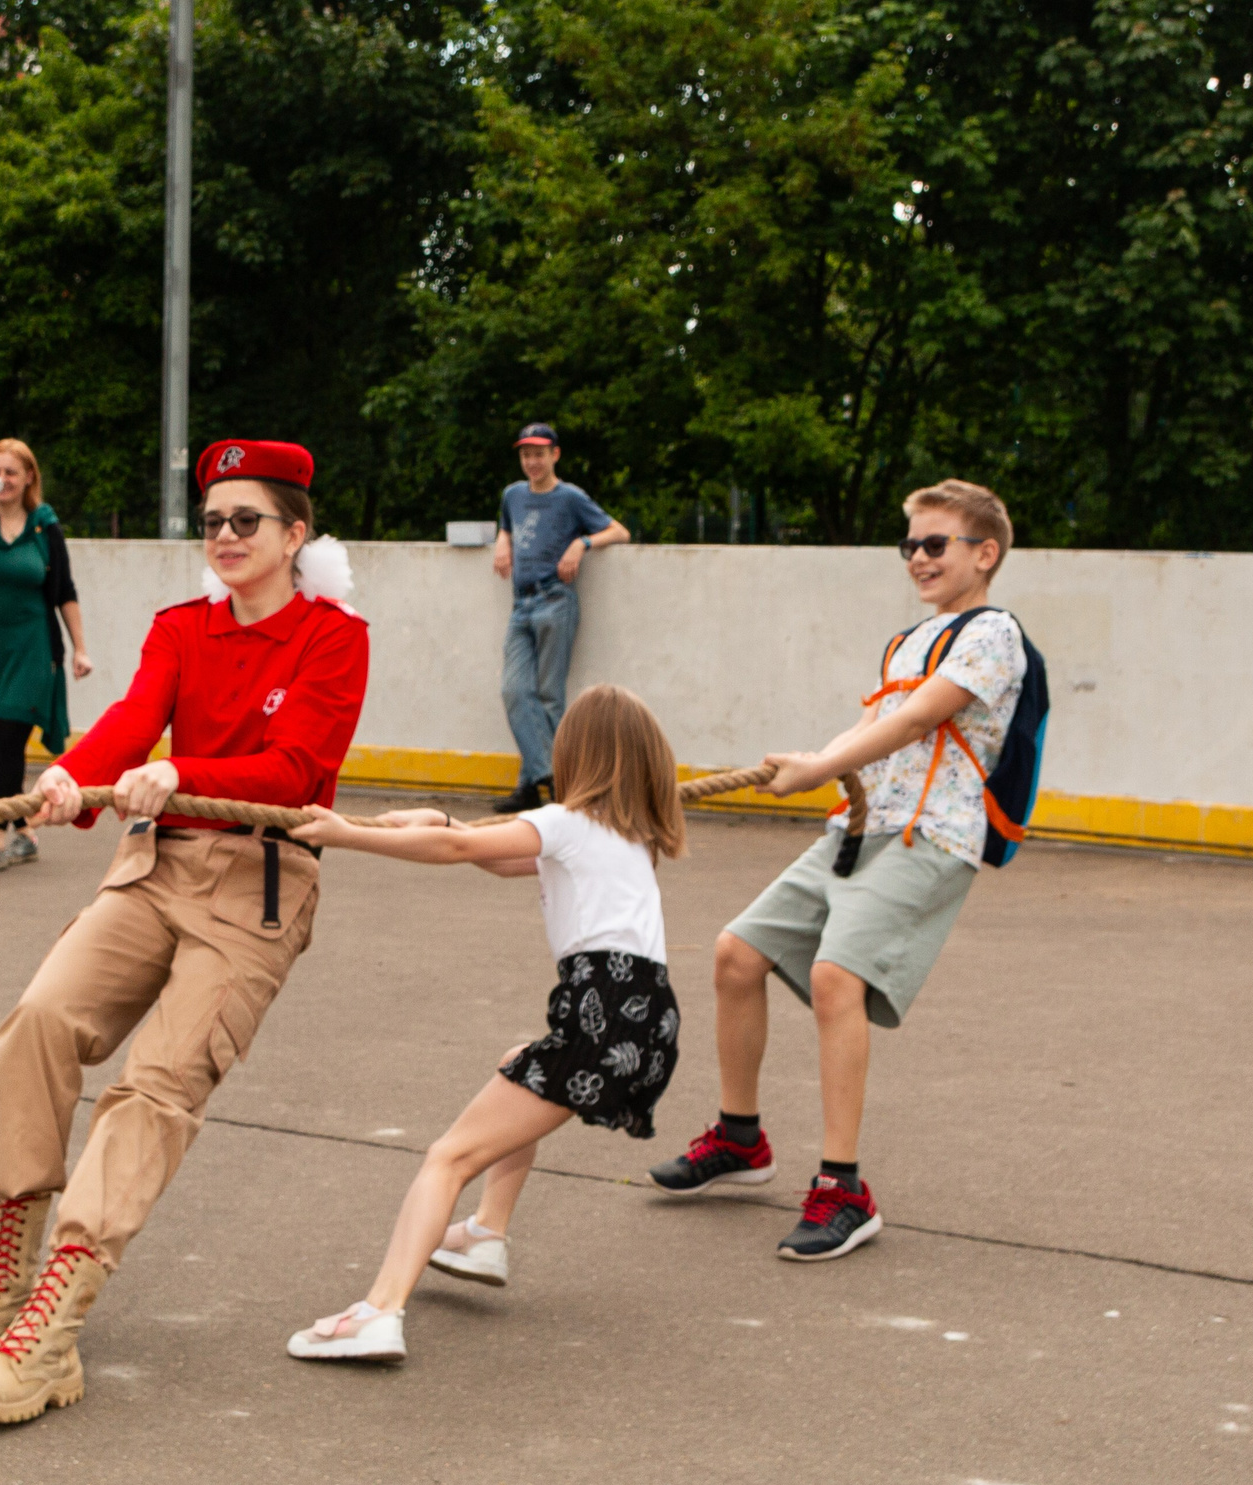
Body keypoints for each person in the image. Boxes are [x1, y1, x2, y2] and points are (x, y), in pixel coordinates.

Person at [0, 439, 370, 1427]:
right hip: (154, 866)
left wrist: (186, 771)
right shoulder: (183, 628)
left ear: (295, 533)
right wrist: (66, 777)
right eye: (212, 518)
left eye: (246, 519)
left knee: (154, 1086)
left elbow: (299, 766)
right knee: (39, 1019)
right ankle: (9, 1272)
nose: (224, 534)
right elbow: (134, 714)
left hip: (254, 886)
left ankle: (52, 1328)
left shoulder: (333, 638)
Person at [649, 480, 1032, 1262]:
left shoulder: (994, 635)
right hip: (859, 827)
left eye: (936, 544)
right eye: (910, 546)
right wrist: (811, 764)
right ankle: (740, 1139)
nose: (918, 558)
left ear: (984, 553)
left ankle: (844, 1190)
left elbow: (921, 719)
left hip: (929, 835)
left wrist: (819, 767)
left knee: (835, 979)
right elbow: (873, 722)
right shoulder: (905, 643)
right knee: (734, 954)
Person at [281, 685, 688, 1361]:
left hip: (601, 1010)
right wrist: (439, 818)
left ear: (575, 755)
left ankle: (380, 1311)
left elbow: (462, 854)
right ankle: (485, 1235)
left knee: (449, 1157)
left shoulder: (564, 821)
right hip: (647, 1026)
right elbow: (496, 855)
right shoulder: (629, 840)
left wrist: (346, 835)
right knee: (520, 1062)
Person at [0, 440, 91, 873]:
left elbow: (64, 592)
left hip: (31, 649)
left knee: (9, 733)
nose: (3, 480)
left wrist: (80, 649)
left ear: (29, 477)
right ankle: (24, 830)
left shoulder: (46, 528)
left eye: (11, 472)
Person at [491, 423, 628, 814]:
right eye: (525, 454)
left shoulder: (570, 497)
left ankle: (532, 786)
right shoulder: (512, 495)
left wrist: (581, 543)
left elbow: (618, 531)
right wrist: (503, 540)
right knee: (515, 691)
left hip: (555, 599)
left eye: (539, 453)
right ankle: (552, 779)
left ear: (555, 455)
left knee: (550, 697)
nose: (532, 461)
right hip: (521, 605)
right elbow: (506, 524)